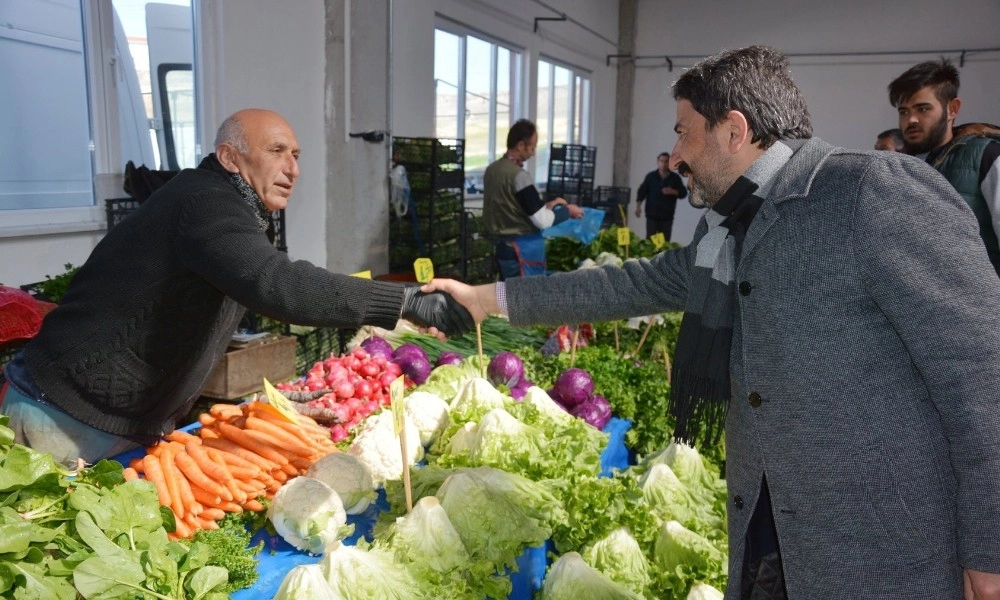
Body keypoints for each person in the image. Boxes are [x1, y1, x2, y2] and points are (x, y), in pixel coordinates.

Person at [426, 46, 1000, 599]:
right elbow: (631, 283)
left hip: (878, 548)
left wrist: (990, 548)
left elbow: (980, 377)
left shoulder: (870, 193)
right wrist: (490, 297)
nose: (675, 155)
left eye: (683, 132)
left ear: (733, 129)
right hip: (769, 526)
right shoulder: (726, 229)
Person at [0, 108, 473, 468]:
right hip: (65, 415)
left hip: (112, 418)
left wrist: (248, 408)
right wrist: (405, 301)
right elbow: (276, 282)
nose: (293, 168)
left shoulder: (230, 212)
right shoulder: (205, 201)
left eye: (296, 155)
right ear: (230, 157)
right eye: (276, 151)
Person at [888, 59, 1000, 277]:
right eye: (903, 111)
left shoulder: (987, 156)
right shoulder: (895, 168)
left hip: (983, 304)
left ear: (952, 109)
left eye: (922, 109)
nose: (911, 119)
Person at [483, 119, 583, 280]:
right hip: (520, 250)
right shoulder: (519, 176)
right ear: (521, 145)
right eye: (532, 147)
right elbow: (542, 221)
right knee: (523, 301)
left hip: (502, 248)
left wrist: (548, 206)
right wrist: (567, 211)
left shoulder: (492, 170)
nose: (534, 152)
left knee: (506, 296)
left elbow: (511, 206)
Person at [635, 151, 688, 240]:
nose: (663, 163)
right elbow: (642, 192)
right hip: (652, 216)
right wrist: (638, 207)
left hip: (666, 218)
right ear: (658, 161)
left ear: (669, 162)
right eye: (661, 161)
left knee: (664, 244)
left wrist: (673, 191)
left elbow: (684, 193)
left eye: (666, 161)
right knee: (650, 242)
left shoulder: (674, 178)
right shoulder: (651, 177)